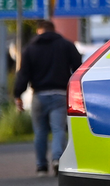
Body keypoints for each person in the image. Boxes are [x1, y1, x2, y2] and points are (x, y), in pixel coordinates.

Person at [14, 20, 83, 176]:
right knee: (59, 129)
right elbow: (78, 68)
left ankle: (41, 167)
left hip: (39, 95)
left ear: (39, 31)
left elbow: (23, 75)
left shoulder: (30, 49)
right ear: (53, 29)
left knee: (40, 132)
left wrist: (18, 95)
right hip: (60, 94)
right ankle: (57, 159)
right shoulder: (66, 45)